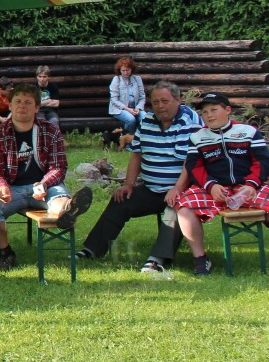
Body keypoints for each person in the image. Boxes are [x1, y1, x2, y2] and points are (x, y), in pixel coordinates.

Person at [75, 81, 202, 275]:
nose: (160, 106)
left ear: (178, 100)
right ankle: (92, 250)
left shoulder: (190, 121)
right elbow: (136, 155)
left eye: (165, 101)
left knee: (175, 209)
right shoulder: (147, 121)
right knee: (120, 200)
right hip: (151, 189)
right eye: (156, 102)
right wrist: (128, 184)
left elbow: (191, 161)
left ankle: (157, 261)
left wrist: (177, 188)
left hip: (181, 189)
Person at [0, 83, 93, 271]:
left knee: (59, 202)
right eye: (18, 101)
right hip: (13, 188)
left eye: (28, 102)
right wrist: (1, 187)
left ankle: (68, 211)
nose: (22, 106)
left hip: (45, 186)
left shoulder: (50, 130)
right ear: (10, 106)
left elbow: (58, 167)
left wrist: (44, 183)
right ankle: (6, 253)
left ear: (37, 108)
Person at [174, 92, 269, 276]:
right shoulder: (197, 137)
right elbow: (194, 166)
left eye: (214, 110)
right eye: (205, 112)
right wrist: (211, 186)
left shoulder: (249, 132)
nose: (209, 115)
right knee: (185, 208)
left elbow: (262, 161)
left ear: (227, 110)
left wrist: (251, 184)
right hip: (214, 189)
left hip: (248, 187)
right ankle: (200, 259)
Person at [108, 56, 145, 135]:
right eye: (123, 70)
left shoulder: (137, 79)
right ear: (120, 70)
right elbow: (114, 100)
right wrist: (128, 109)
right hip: (119, 110)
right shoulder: (116, 79)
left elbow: (142, 97)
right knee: (131, 119)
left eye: (127, 70)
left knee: (145, 117)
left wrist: (138, 108)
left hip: (135, 109)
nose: (125, 73)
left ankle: (142, 138)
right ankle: (128, 139)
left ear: (131, 69)